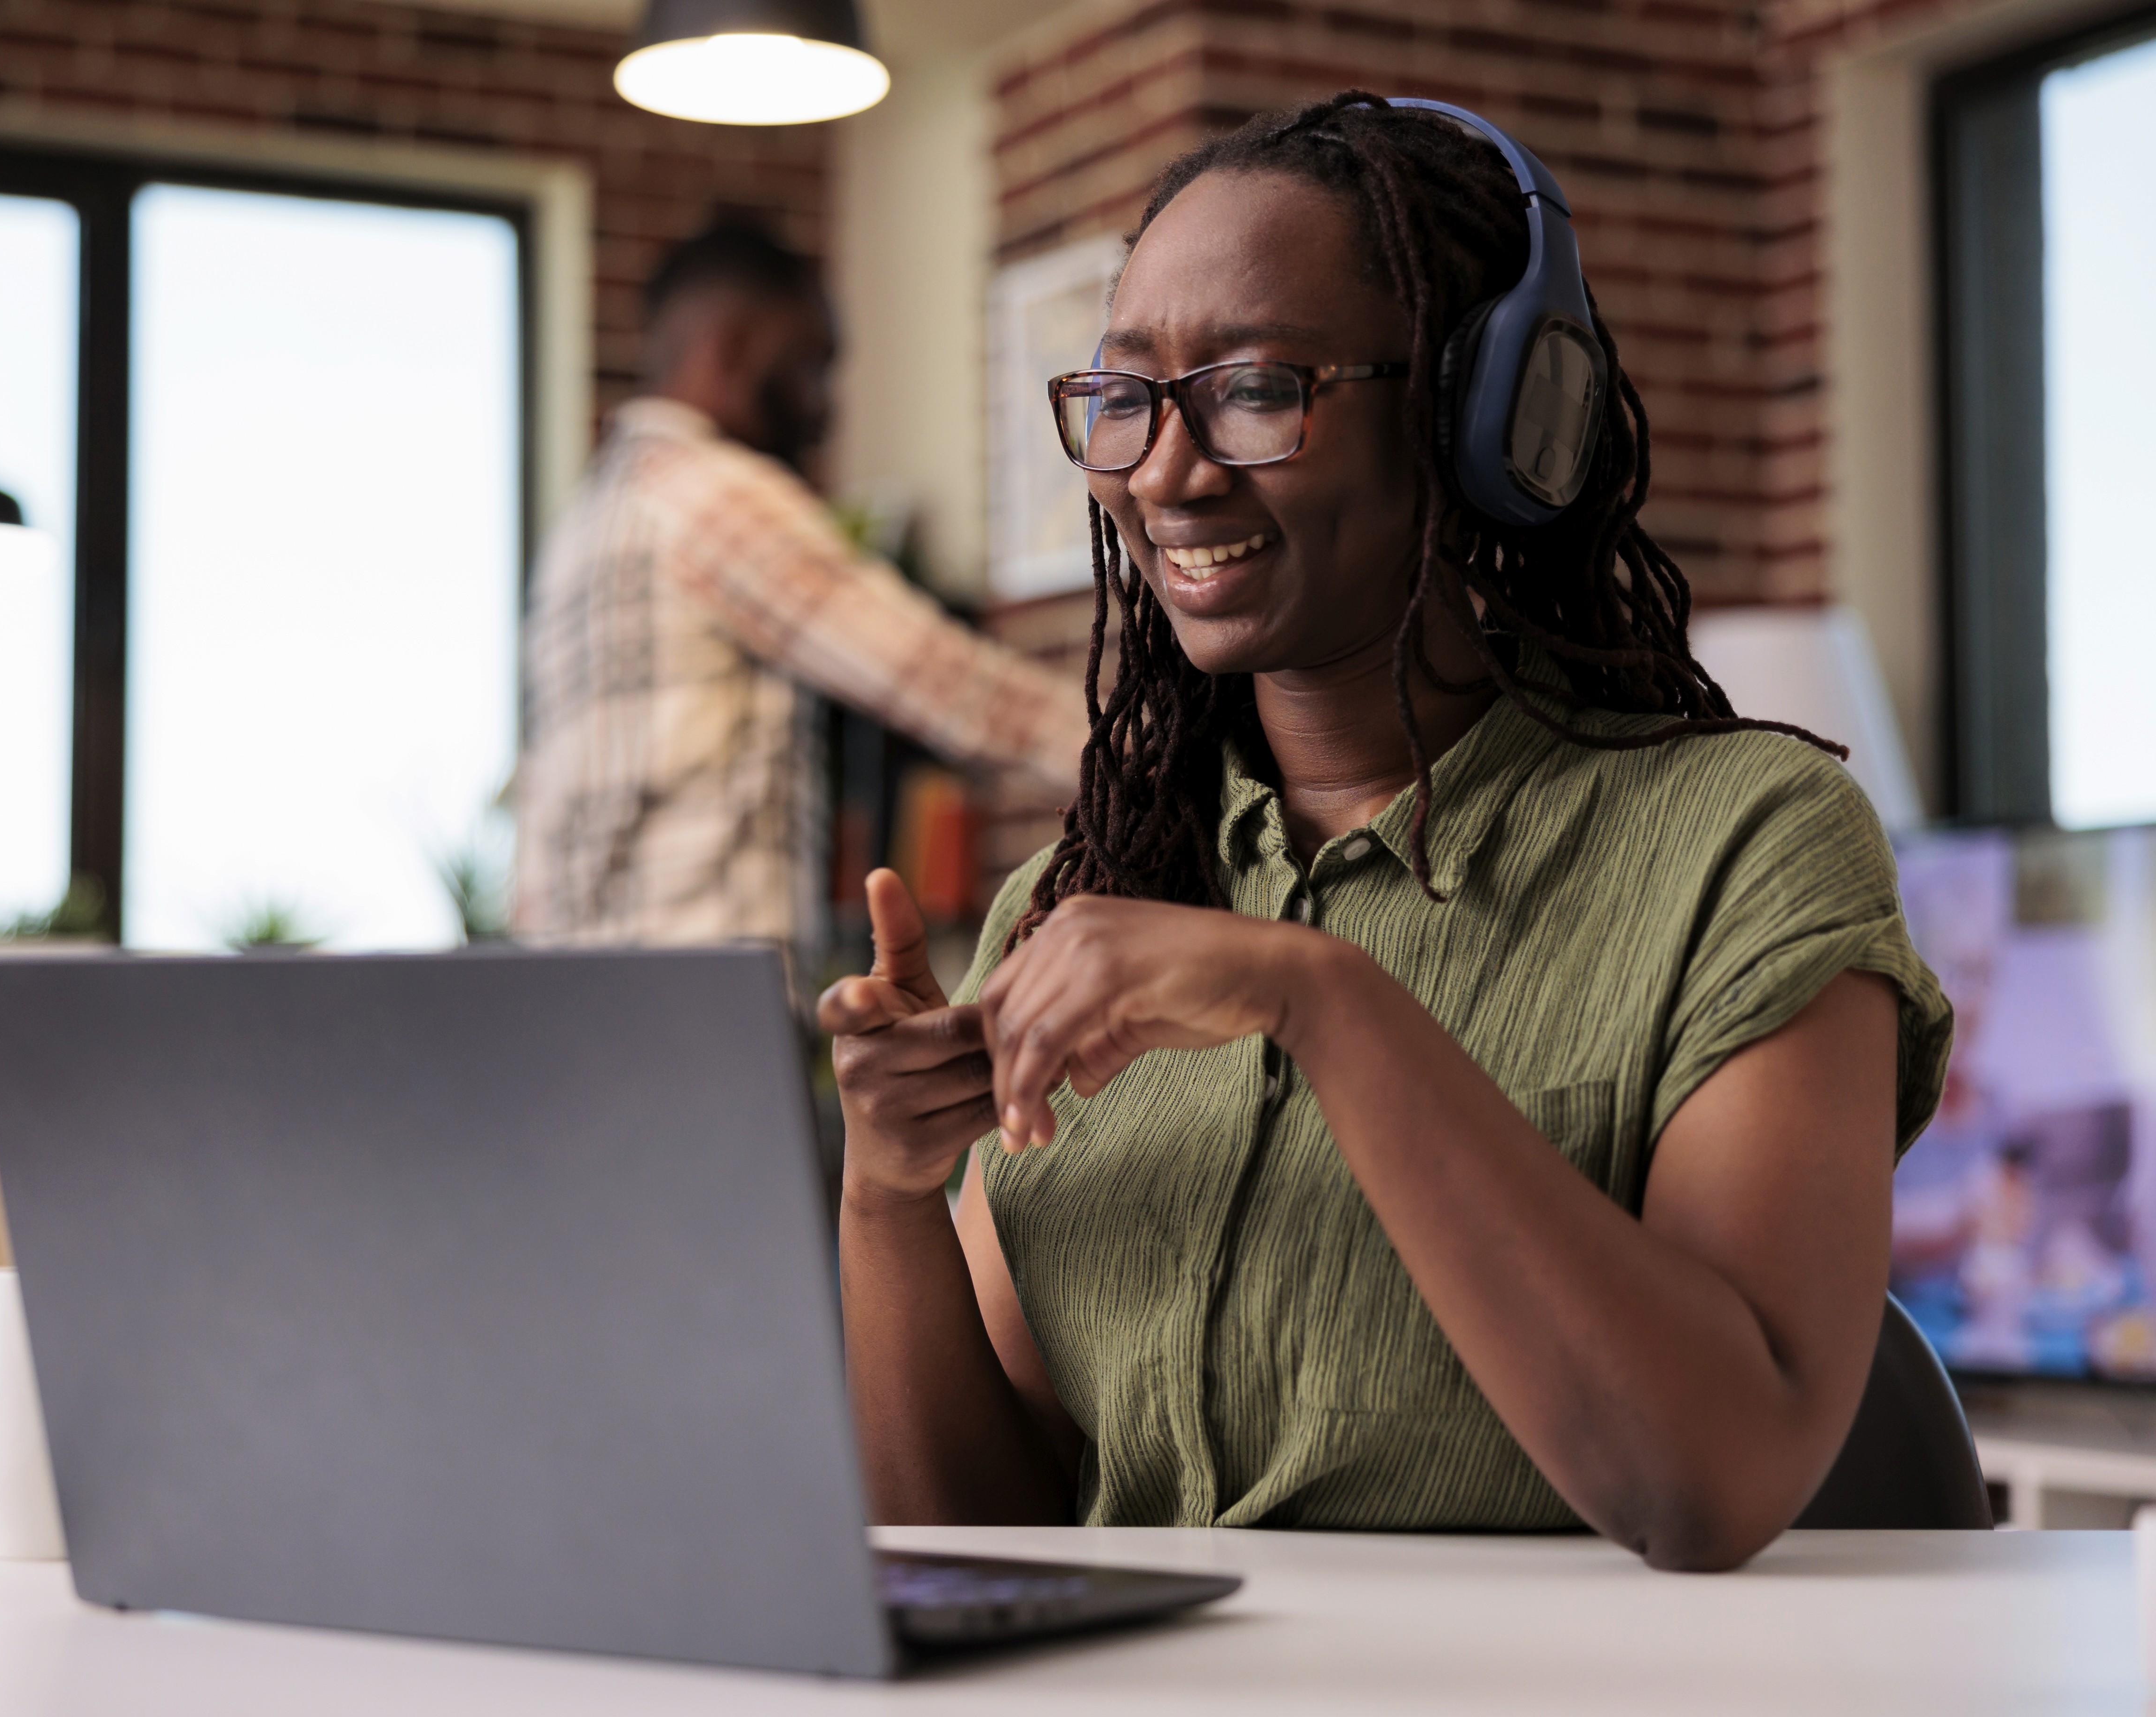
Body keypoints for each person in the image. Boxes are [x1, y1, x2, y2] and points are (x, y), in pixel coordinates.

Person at [820, 93, 1954, 1573]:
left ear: (1481, 416)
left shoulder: (1747, 846)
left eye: (1253, 388)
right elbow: (984, 1550)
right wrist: (888, 1191)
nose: (1167, 469)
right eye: (1127, 396)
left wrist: (1319, 997)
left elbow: (1718, 1477)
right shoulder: (1085, 903)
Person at [512, 222, 1087, 967]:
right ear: (735, 348)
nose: (825, 406)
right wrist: (1167, 763)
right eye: (811, 366)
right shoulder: (709, 495)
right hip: (704, 995)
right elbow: (946, 684)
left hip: (582, 993)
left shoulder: (587, 521)